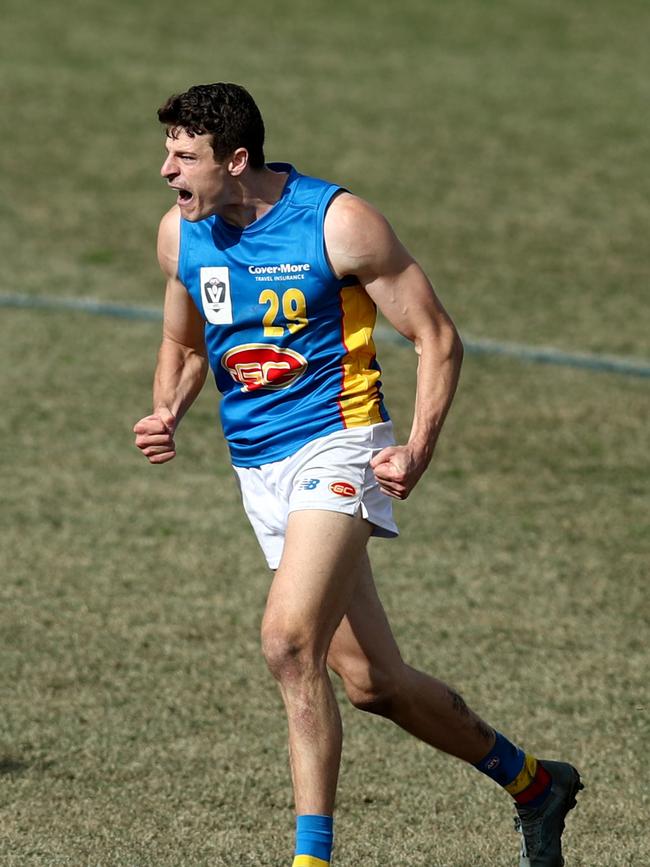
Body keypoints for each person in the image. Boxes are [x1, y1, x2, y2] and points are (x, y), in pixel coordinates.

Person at [133, 82, 582, 867]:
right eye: (167, 150)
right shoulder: (182, 233)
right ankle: (536, 785)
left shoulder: (337, 223)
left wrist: (416, 447)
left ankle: (312, 859)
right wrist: (167, 408)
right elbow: (186, 341)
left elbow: (436, 337)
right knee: (373, 683)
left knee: (286, 644)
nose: (166, 169)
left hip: (337, 445)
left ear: (236, 159)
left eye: (184, 155)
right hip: (259, 469)